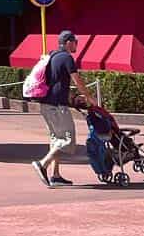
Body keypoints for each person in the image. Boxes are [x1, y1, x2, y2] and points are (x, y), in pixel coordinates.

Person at [31, 30, 96, 188]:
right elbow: (77, 80)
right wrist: (88, 97)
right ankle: (43, 164)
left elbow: (58, 82)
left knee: (56, 138)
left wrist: (72, 98)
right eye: (75, 42)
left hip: (46, 104)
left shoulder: (52, 56)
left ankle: (56, 175)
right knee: (67, 139)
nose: (76, 45)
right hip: (57, 107)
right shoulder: (67, 58)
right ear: (68, 42)